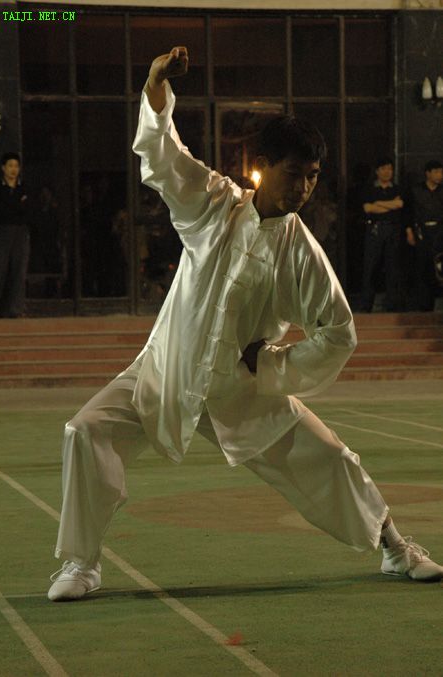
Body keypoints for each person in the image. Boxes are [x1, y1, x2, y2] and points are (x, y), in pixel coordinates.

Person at [48, 47, 443, 601]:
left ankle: (396, 549)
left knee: (328, 456)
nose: (303, 188)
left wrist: (275, 365)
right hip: (167, 369)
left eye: (312, 177)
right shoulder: (214, 204)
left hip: (242, 388)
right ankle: (81, 564)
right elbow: (163, 156)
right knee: (86, 430)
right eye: (293, 174)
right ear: (263, 166)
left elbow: (339, 332)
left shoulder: (302, 253)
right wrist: (157, 86)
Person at [359, 158, 403, 312]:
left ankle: (392, 305)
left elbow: (400, 205)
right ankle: (366, 305)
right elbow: (368, 208)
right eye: (384, 169)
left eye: (390, 169)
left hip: (393, 229)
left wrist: (378, 203)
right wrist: (391, 205)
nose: (387, 172)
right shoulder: (369, 189)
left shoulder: (397, 189)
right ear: (377, 171)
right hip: (375, 229)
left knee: (393, 267)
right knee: (371, 267)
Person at [0, 152, 30, 318]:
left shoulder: (24, 187)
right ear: (3, 168)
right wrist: (17, 204)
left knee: (19, 271)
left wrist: (14, 207)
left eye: (16, 166)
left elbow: (27, 211)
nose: (13, 170)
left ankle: (16, 310)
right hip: (2, 231)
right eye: (10, 166)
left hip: (21, 232)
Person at [405, 160, 443, 311]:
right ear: (428, 173)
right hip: (421, 232)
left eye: (441, 172)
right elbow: (408, 212)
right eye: (436, 172)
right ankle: (423, 306)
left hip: (440, 232)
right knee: (422, 268)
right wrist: (409, 231)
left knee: (438, 268)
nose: (439, 175)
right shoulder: (416, 190)